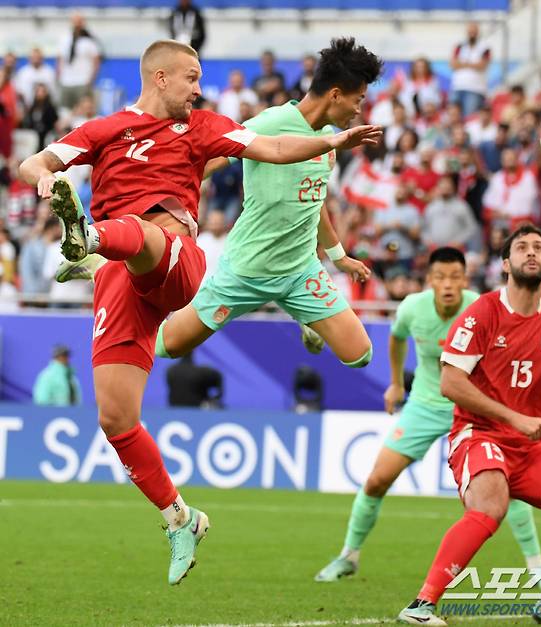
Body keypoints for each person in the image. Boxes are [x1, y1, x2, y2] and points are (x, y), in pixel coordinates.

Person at [18, 39, 380, 586]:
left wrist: (338, 140)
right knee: (116, 418)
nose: (198, 87)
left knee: (141, 230)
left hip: (175, 255)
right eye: (191, 77)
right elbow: (34, 161)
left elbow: (278, 150)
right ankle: (180, 518)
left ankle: (88, 241)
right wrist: (44, 178)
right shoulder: (104, 129)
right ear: (159, 77)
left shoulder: (207, 126)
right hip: (127, 274)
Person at [397, 224, 541, 627]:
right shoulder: (482, 311)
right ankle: (421, 605)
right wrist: (513, 417)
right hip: (477, 436)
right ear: (505, 264)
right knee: (490, 507)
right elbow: (451, 383)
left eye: (539, 247)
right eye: (522, 248)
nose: (531, 252)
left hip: (527, 448)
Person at [315, 247, 541, 586]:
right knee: (377, 480)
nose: (448, 284)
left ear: (465, 280)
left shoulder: (484, 309)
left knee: (507, 487)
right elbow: (396, 340)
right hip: (425, 404)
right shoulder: (412, 307)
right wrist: (396, 384)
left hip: (474, 408)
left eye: (455, 277)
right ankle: (348, 556)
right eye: (440, 277)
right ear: (430, 281)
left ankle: (538, 567)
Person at [155, 38, 384, 371]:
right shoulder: (271, 123)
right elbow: (211, 162)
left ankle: (305, 314)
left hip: (300, 272)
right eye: (358, 98)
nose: (359, 109)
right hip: (248, 269)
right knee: (167, 347)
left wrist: (339, 256)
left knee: (359, 355)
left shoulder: (331, 141)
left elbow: (313, 201)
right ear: (335, 94)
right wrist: (161, 198)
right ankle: (106, 272)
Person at [56, 13, 102, 110]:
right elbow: (60, 59)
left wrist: (90, 80)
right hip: (66, 81)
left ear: (83, 23)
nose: (77, 24)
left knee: (83, 110)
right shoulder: (64, 38)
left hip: (82, 81)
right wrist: (59, 77)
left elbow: (96, 61)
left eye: (79, 22)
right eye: (75, 21)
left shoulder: (90, 40)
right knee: (64, 110)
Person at [449, 23, 490, 116]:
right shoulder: (460, 46)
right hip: (458, 87)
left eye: (474, 32)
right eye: (470, 31)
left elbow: (482, 65)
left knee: (469, 117)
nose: (472, 34)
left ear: (478, 32)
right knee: (453, 116)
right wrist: (472, 64)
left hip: (475, 89)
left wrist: (463, 64)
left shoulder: (484, 47)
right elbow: (453, 64)